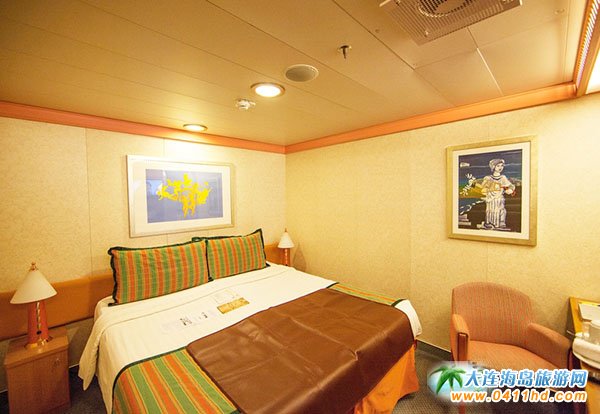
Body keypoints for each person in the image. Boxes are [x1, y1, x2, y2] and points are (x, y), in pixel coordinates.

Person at [480, 158, 515, 230]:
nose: (500, 167)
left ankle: (501, 224)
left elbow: (510, 186)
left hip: (500, 199)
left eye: (502, 165)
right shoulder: (488, 178)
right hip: (491, 199)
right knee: (491, 211)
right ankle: (489, 223)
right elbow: (482, 189)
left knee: (501, 211)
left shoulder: (503, 178)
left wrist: (510, 190)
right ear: (493, 167)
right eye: (498, 166)